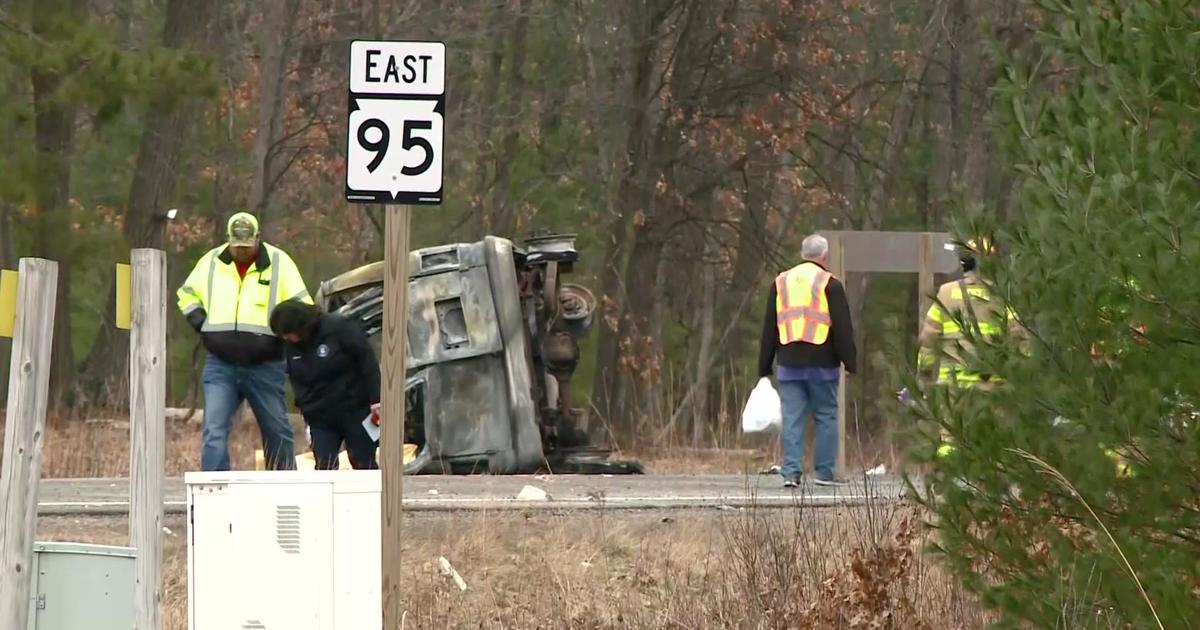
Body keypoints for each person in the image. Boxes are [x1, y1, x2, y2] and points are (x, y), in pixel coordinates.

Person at [177, 212, 310, 471]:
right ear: (228, 239)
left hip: (266, 365)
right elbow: (186, 294)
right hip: (221, 364)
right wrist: (201, 324)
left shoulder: (280, 263)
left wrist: (284, 333)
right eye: (236, 246)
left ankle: (284, 485)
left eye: (247, 247)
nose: (241, 252)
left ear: (258, 238)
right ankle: (215, 487)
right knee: (213, 431)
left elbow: (302, 306)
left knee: (277, 431)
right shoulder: (211, 262)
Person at [758, 233, 857, 488]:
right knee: (826, 415)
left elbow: (770, 326)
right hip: (823, 363)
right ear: (824, 256)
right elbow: (843, 328)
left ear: (803, 254)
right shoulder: (830, 284)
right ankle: (824, 473)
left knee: (792, 418)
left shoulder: (780, 282)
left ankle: (791, 472)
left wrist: (764, 365)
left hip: (788, 363)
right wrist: (850, 362)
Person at [916, 237, 1026, 459]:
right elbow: (1019, 338)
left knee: (950, 439)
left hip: (953, 386)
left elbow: (928, 339)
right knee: (991, 438)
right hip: (991, 385)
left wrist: (924, 375)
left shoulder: (946, 293)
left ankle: (951, 475)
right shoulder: (1000, 296)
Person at [269, 299, 381, 470]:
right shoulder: (291, 346)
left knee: (364, 462)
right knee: (324, 465)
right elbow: (296, 378)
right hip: (319, 416)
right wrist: (305, 410)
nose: (287, 338)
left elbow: (368, 362)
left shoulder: (339, 326)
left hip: (357, 410)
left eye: (289, 333)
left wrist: (376, 400)